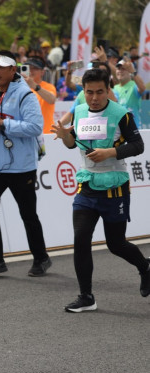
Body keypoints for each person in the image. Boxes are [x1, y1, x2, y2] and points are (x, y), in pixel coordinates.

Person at [51, 68, 150, 312]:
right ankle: (86, 297)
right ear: (83, 91)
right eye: (89, 92)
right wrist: (65, 136)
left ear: (108, 90)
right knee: (80, 240)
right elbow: (73, 143)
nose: (94, 98)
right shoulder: (79, 111)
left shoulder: (121, 114)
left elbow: (138, 145)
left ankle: (145, 267)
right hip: (86, 185)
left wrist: (110, 152)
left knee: (116, 244)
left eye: (99, 92)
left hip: (115, 187)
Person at [0, 50, 52, 277]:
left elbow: (35, 127)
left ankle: (41, 258)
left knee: (28, 214)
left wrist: (4, 124)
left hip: (22, 167)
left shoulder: (25, 94)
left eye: (1, 68)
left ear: (13, 70)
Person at [21, 57, 57, 133]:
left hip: (46, 133)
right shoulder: (20, 87)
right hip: (27, 133)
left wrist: (34, 86)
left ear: (42, 72)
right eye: (29, 68)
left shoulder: (49, 87)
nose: (31, 71)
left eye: (35, 68)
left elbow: (52, 100)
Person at [113, 58, 145, 128]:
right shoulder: (114, 89)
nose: (120, 71)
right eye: (118, 68)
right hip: (118, 129)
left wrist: (133, 72)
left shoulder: (134, 85)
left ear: (130, 72)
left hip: (134, 129)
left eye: (123, 69)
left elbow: (142, 88)